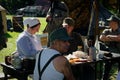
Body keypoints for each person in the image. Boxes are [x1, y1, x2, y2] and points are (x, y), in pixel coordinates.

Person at [99, 15, 120, 80]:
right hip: (109, 53)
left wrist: (108, 37)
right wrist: (115, 38)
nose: (109, 23)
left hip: (119, 53)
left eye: (110, 21)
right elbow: (101, 38)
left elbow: (119, 38)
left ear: (115, 22)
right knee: (106, 71)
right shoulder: (106, 30)